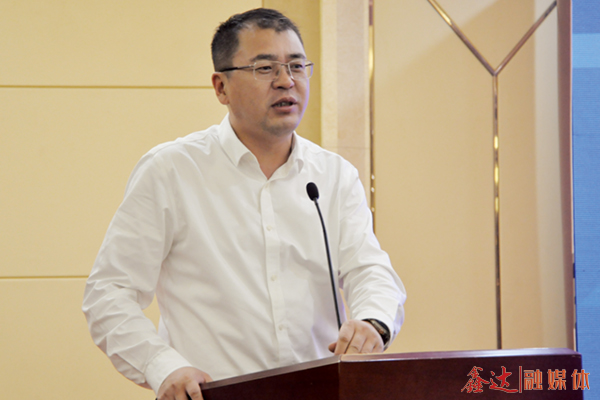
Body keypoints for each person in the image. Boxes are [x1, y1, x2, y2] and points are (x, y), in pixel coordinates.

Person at [83, 8, 406, 400]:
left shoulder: (334, 175)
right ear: (221, 87)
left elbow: (370, 270)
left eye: (297, 66)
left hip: (320, 391)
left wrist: (374, 323)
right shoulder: (171, 171)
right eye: (265, 68)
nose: (286, 81)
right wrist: (162, 366)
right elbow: (110, 292)